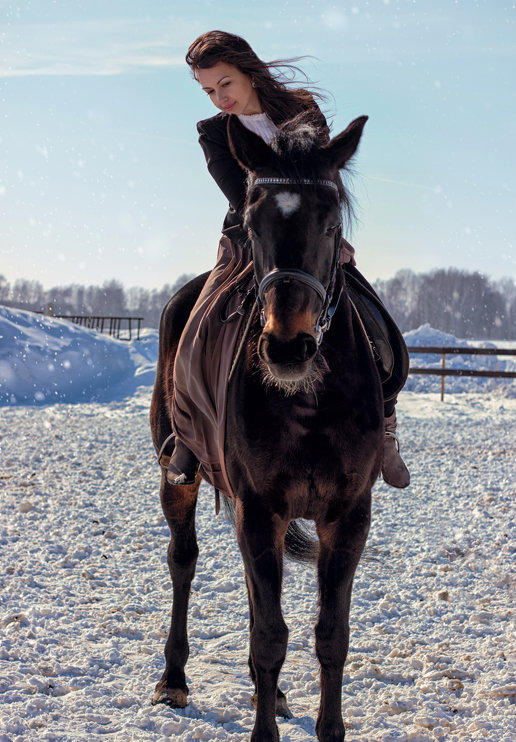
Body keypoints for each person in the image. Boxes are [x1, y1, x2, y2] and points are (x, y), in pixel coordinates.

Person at [167, 30, 410, 489]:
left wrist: (331, 239)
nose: (219, 98)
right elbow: (240, 197)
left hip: (311, 240)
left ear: (249, 72)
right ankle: (187, 433)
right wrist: (269, 230)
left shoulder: (302, 111)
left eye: (225, 84)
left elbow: (325, 181)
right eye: (208, 91)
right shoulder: (214, 134)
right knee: (196, 320)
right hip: (251, 236)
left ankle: (386, 428)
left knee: (374, 316)